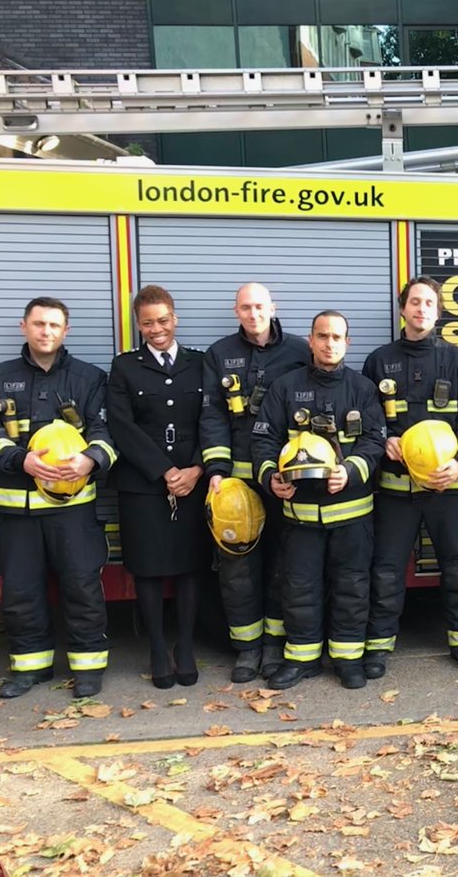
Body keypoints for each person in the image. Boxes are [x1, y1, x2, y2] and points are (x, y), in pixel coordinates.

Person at [362, 276, 458, 675]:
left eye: (428, 303)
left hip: (449, 488)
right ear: (403, 310)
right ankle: (378, 647)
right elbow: (365, 415)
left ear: (438, 311)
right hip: (397, 489)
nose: (421, 309)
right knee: (385, 569)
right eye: (414, 302)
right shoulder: (379, 360)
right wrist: (383, 440)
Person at [251, 311, 384, 689]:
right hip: (301, 516)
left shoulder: (363, 388)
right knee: (299, 587)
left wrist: (353, 471)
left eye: (337, 337)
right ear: (310, 340)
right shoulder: (285, 387)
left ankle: (347, 659)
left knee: (352, 587)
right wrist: (270, 479)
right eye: (322, 336)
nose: (329, 343)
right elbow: (262, 440)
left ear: (347, 343)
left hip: (353, 515)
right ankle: (302, 659)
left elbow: (375, 439)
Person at [0, 298, 118, 699]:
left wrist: (91, 459)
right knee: (20, 592)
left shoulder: (88, 378)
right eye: (38, 324)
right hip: (17, 512)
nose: (45, 331)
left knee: (82, 587)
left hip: (74, 511)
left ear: (66, 331)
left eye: (53, 325)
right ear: (23, 327)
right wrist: (19, 459)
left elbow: (107, 429)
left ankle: (88, 667)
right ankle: (30, 667)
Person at [201, 283, 310, 683]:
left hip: (283, 480)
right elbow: (211, 414)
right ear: (236, 311)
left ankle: (274, 646)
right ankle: (247, 649)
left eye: (259, 306)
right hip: (234, 483)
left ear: (272, 308)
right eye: (245, 307)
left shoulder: (299, 350)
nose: (253, 313)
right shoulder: (220, 354)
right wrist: (216, 469)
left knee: (284, 567)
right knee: (237, 571)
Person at [107, 286, 210, 688]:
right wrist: (165, 471)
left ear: (175, 319)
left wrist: (197, 468)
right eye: (147, 322)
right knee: (147, 569)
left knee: (190, 566)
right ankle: (156, 648)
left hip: (193, 483)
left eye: (163, 320)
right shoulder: (124, 367)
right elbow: (121, 425)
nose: (156, 329)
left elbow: (212, 420)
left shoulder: (200, 363)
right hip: (144, 485)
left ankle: (184, 646)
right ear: (137, 324)